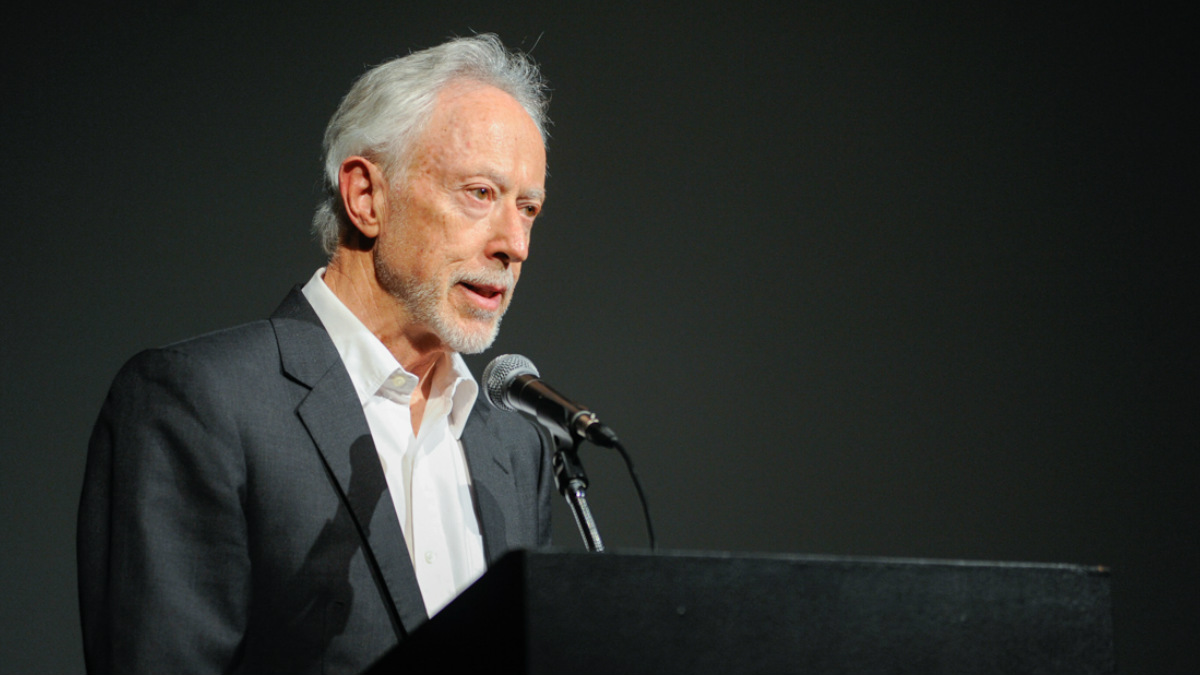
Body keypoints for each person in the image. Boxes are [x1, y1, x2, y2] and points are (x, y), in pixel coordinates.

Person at [77, 34, 554, 675]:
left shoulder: (517, 449)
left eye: (528, 208)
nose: (514, 244)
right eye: (479, 194)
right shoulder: (198, 404)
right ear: (366, 197)